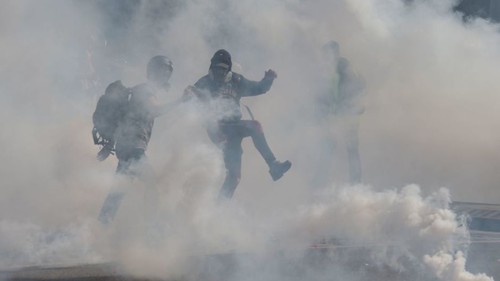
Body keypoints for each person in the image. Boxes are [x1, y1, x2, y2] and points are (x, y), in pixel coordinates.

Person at [183, 49, 291, 200]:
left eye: (223, 70)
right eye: (216, 69)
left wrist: (269, 79)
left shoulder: (237, 81)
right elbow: (190, 102)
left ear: (228, 70)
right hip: (217, 128)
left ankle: (217, 210)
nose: (219, 74)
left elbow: (259, 88)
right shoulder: (203, 83)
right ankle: (272, 164)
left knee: (234, 178)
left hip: (235, 128)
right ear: (211, 69)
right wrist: (189, 95)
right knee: (252, 128)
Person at [98, 55, 179, 225]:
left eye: (167, 73)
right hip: (133, 148)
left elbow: (123, 119)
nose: (165, 77)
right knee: (151, 186)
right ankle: (151, 232)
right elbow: (154, 110)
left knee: (118, 191)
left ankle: (100, 227)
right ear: (153, 72)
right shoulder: (145, 90)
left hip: (127, 146)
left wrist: (110, 145)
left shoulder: (140, 90)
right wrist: (181, 101)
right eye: (162, 72)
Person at [318, 41, 366, 184]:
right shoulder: (334, 68)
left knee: (345, 148)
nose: (325, 56)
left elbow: (353, 88)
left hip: (348, 115)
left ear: (335, 52)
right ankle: (324, 179)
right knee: (333, 146)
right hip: (341, 115)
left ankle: (354, 182)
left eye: (327, 53)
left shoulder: (343, 68)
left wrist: (347, 105)